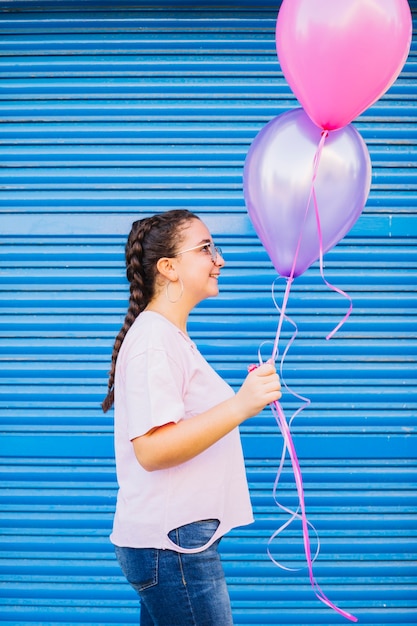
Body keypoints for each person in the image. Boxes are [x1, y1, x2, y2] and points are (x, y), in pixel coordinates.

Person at [102, 209, 281, 626]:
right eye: (206, 249)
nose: (219, 260)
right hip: (174, 546)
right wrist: (241, 404)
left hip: (174, 543)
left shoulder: (168, 337)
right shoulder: (154, 341)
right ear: (169, 267)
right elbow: (151, 449)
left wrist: (240, 401)